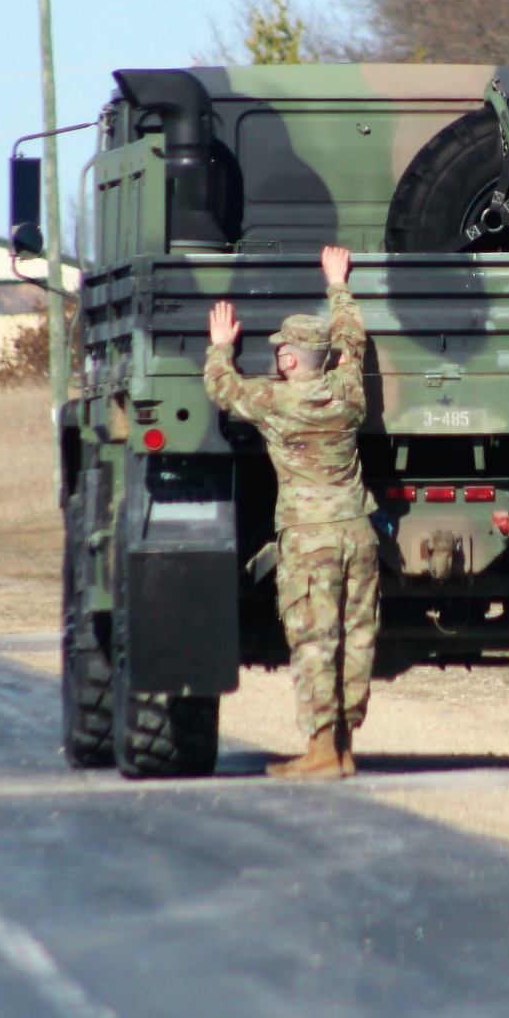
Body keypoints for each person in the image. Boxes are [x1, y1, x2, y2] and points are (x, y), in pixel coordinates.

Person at [204, 246, 379, 781]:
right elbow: (352, 340)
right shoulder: (349, 394)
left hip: (310, 541)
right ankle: (345, 747)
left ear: (287, 359)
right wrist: (338, 284)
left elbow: (222, 388)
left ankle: (321, 750)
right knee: (357, 639)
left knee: (314, 641)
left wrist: (219, 349)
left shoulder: (276, 402)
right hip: (358, 534)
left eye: (282, 350)